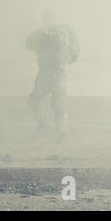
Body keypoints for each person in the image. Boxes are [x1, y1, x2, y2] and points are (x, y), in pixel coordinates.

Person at [26, 10, 79, 144]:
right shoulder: (41, 31)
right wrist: (41, 33)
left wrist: (48, 34)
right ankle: (43, 125)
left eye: (50, 18)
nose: (48, 20)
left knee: (58, 102)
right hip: (44, 70)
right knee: (34, 100)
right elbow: (29, 45)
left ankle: (62, 132)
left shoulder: (63, 31)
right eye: (45, 18)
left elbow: (67, 47)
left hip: (58, 71)